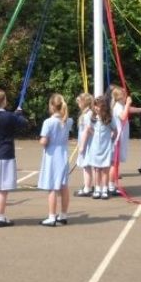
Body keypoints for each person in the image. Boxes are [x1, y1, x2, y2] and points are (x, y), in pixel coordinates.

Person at [0, 89, 27, 227]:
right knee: (2, 189)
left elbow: (8, 120)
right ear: (3, 101)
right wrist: (19, 114)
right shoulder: (8, 116)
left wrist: (16, 114)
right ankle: (0, 218)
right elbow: (23, 123)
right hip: (4, 155)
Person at [38, 94, 73, 226]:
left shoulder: (48, 122)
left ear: (52, 106)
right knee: (63, 186)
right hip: (63, 154)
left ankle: (52, 216)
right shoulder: (68, 121)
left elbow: (44, 141)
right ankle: (63, 214)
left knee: (52, 187)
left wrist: (41, 140)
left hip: (52, 156)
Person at [109, 85, 141, 195]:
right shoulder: (118, 106)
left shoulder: (120, 105)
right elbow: (123, 116)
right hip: (118, 137)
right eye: (125, 95)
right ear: (120, 97)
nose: (127, 96)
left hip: (121, 136)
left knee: (116, 163)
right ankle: (111, 185)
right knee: (115, 162)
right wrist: (128, 103)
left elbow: (128, 111)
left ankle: (112, 184)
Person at [82, 96, 116, 200]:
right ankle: (97, 189)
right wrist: (93, 135)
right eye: (95, 106)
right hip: (95, 147)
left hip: (105, 148)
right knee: (96, 169)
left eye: (99, 106)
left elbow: (115, 130)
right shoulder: (92, 118)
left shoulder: (109, 118)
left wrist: (111, 137)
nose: (97, 108)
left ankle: (104, 189)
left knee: (105, 169)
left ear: (104, 107)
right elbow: (88, 129)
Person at [74, 92, 94, 197]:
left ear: (84, 103)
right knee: (86, 166)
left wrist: (82, 146)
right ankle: (88, 185)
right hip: (85, 143)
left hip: (86, 144)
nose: (78, 104)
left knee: (86, 166)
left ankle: (87, 188)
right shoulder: (87, 113)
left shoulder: (87, 114)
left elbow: (88, 129)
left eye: (79, 102)